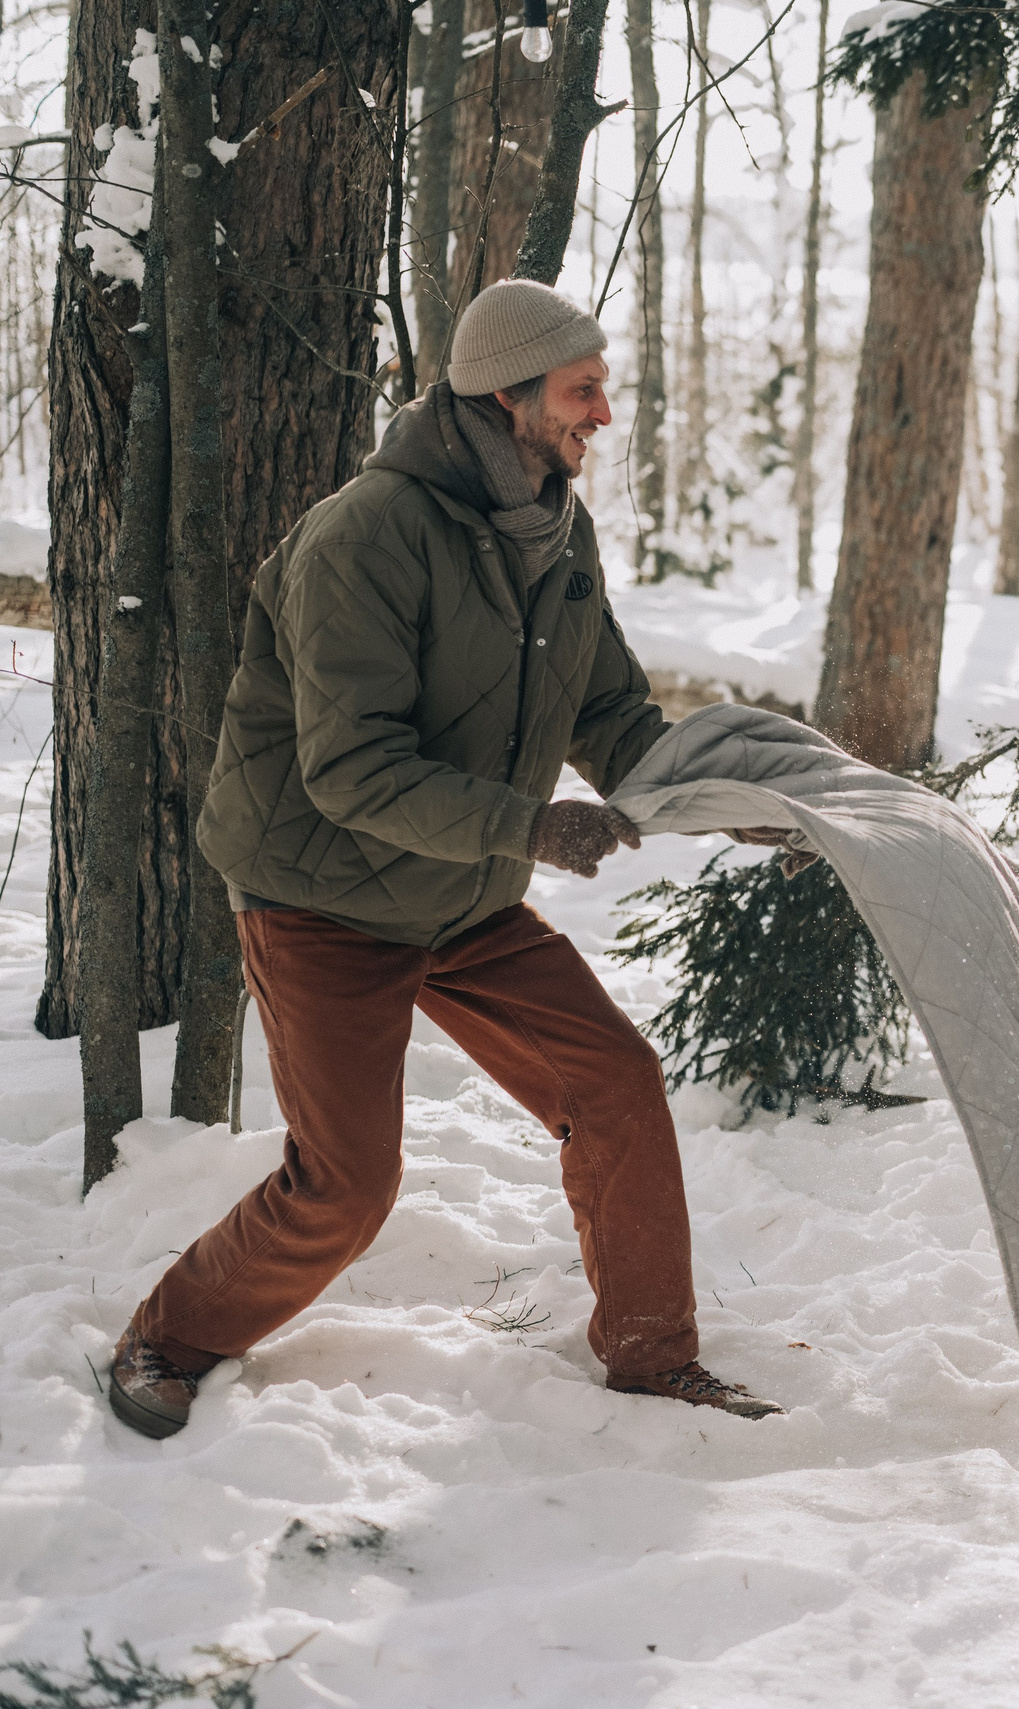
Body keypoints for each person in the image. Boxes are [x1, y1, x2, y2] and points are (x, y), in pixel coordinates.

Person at [107, 280, 786, 1439]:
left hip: (461, 892)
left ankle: (652, 1357)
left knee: (614, 1084)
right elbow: (352, 770)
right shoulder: (364, 537)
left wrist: (720, 799)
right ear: (507, 394)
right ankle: (162, 1340)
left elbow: (611, 712)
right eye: (583, 390)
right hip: (324, 894)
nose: (603, 415)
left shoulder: (557, 532)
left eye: (601, 388)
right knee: (349, 1182)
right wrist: (528, 827)